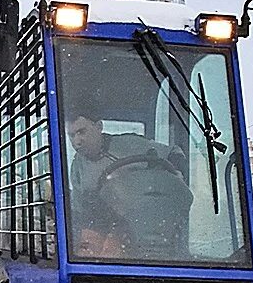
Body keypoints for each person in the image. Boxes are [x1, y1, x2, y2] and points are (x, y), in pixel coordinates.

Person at [64, 108, 192, 259]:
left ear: (99, 126)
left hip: (151, 221)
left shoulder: (130, 144)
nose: (76, 142)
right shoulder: (77, 168)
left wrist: (178, 173)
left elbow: (174, 153)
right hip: (112, 227)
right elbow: (83, 213)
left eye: (81, 132)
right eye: (71, 136)